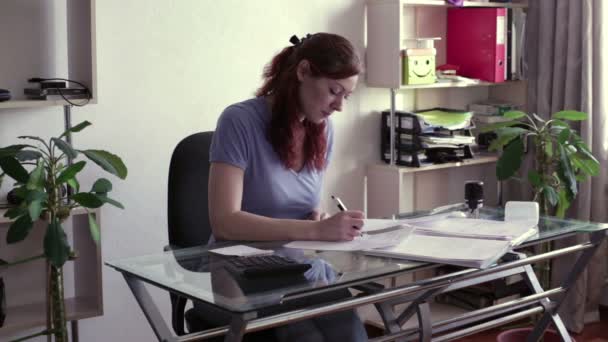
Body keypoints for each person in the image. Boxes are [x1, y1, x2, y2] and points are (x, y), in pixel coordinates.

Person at [202, 32, 367, 341]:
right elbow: (224, 222)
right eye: (334, 91)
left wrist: (320, 222)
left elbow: (304, 212)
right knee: (308, 337)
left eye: (347, 96)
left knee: (351, 333)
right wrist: (316, 231)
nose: (339, 106)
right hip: (240, 272)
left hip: (298, 269)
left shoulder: (322, 130)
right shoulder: (239, 121)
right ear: (303, 72)